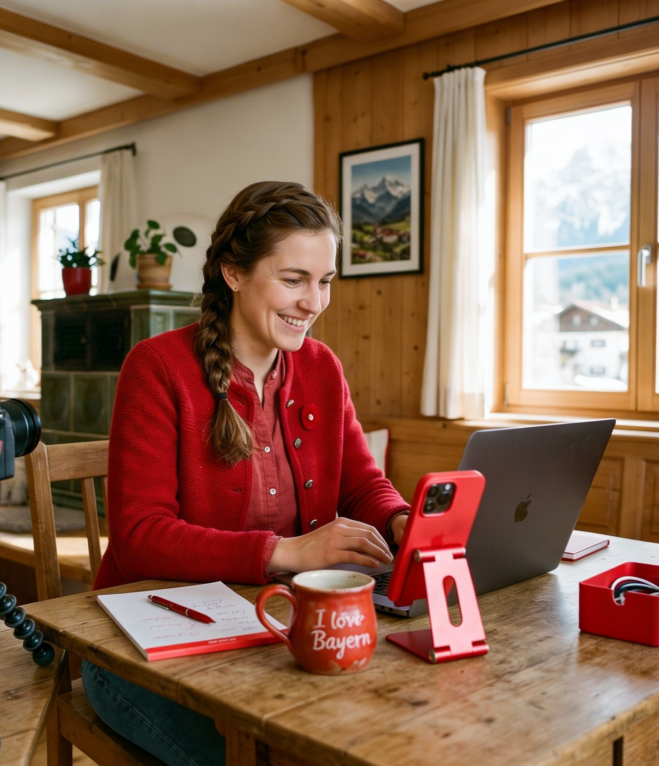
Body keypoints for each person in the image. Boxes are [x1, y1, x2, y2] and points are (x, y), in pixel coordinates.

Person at [81, 181, 410, 766]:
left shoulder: (322, 368)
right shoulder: (157, 368)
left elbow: (362, 483)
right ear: (233, 273)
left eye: (325, 281)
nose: (314, 302)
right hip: (140, 649)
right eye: (293, 279)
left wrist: (403, 520)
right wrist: (288, 553)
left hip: (275, 624)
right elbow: (138, 538)